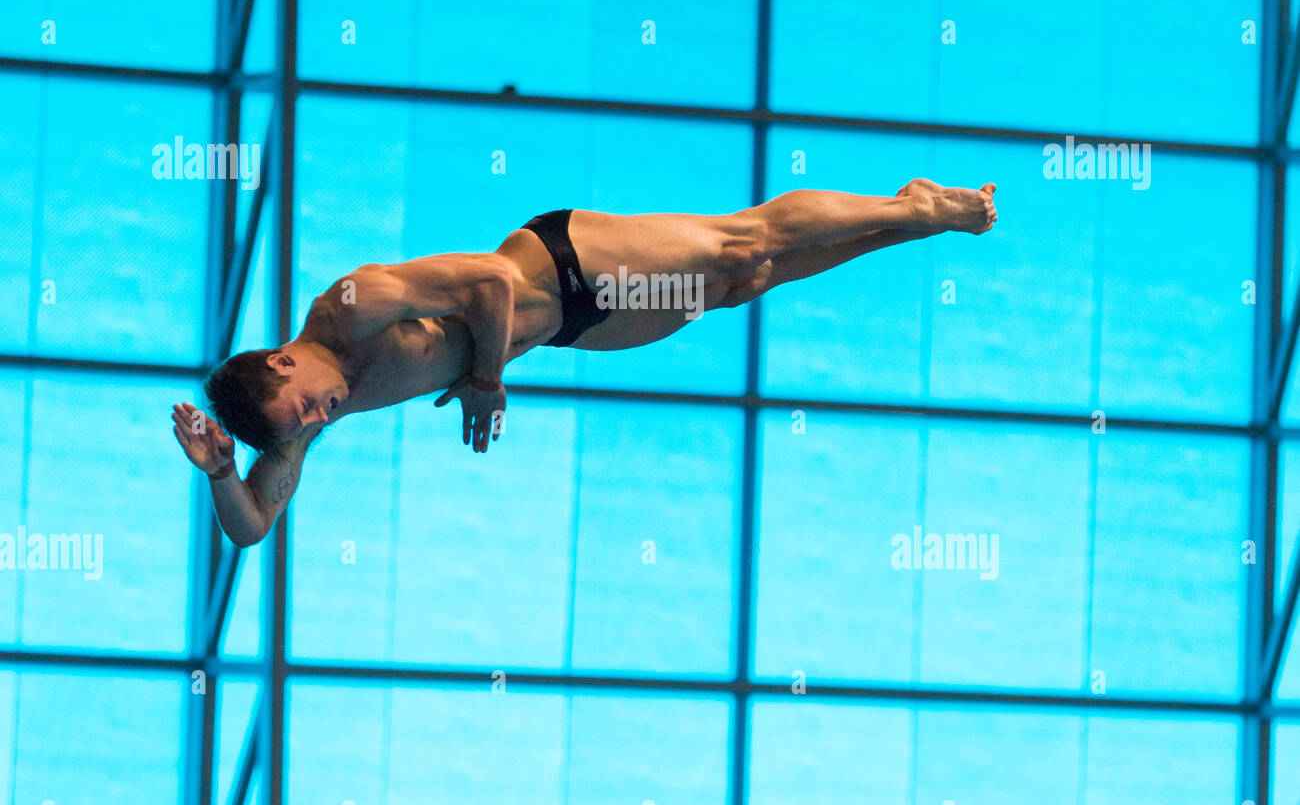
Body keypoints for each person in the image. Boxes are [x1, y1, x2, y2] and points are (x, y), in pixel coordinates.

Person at [172, 179, 997, 546]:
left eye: (308, 408)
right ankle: (906, 223)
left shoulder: (351, 307)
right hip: (572, 326)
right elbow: (253, 530)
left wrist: (485, 384)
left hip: (564, 262)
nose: (321, 420)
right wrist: (218, 472)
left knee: (739, 241)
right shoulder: (318, 405)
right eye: (306, 426)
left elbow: (490, 282)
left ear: (284, 361)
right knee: (742, 285)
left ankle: (914, 208)